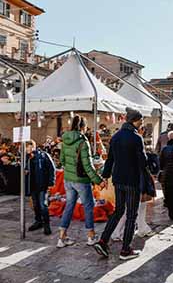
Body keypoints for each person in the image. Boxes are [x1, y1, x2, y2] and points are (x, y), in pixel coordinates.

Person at [95, 108, 146, 261]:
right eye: (141, 121)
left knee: (118, 211)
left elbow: (110, 160)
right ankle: (125, 250)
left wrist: (104, 177)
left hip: (118, 179)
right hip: (131, 181)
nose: (142, 123)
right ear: (136, 121)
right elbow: (142, 162)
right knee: (131, 214)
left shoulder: (116, 136)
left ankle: (103, 241)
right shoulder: (136, 138)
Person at [58, 115, 106, 248]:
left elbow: (62, 160)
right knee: (88, 206)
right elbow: (88, 166)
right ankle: (91, 236)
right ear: (82, 127)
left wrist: (71, 168)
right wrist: (99, 181)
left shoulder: (65, 140)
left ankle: (62, 237)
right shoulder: (83, 142)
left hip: (68, 179)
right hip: (81, 180)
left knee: (69, 206)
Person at [25, 140, 56, 236]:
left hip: (42, 185)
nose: (26, 149)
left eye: (27, 147)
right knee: (35, 205)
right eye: (25, 147)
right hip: (32, 185)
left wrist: (51, 183)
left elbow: (52, 168)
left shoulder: (43, 155)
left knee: (43, 205)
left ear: (32, 147)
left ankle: (46, 225)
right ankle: (38, 221)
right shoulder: (26, 157)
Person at [159, 131, 173, 220]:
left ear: (169, 138)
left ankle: (172, 213)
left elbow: (161, 163)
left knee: (169, 194)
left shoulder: (165, 149)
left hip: (167, 174)